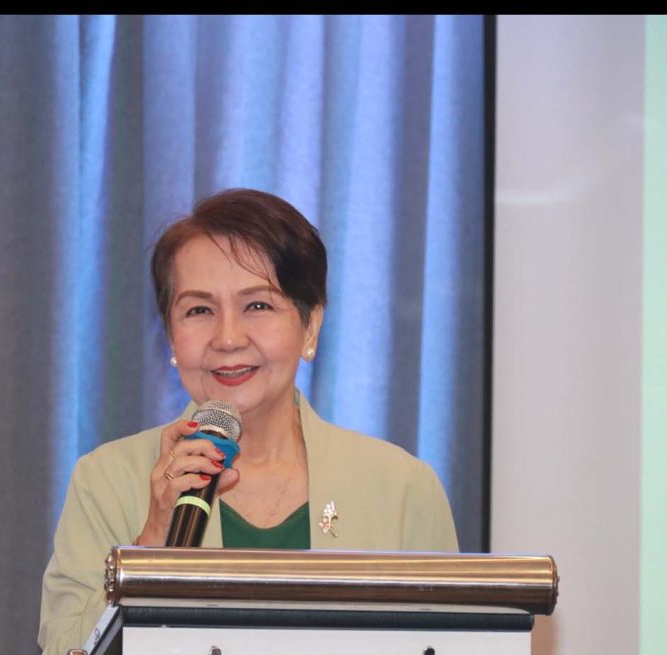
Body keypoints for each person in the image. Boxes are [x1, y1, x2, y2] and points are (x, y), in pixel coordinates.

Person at [37, 188, 458, 653]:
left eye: (258, 305)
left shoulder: (402, 490)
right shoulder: (106, 481)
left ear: (310, 325)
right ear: (171, 336)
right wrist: (150, 548)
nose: (228, 338)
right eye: (199, 310)